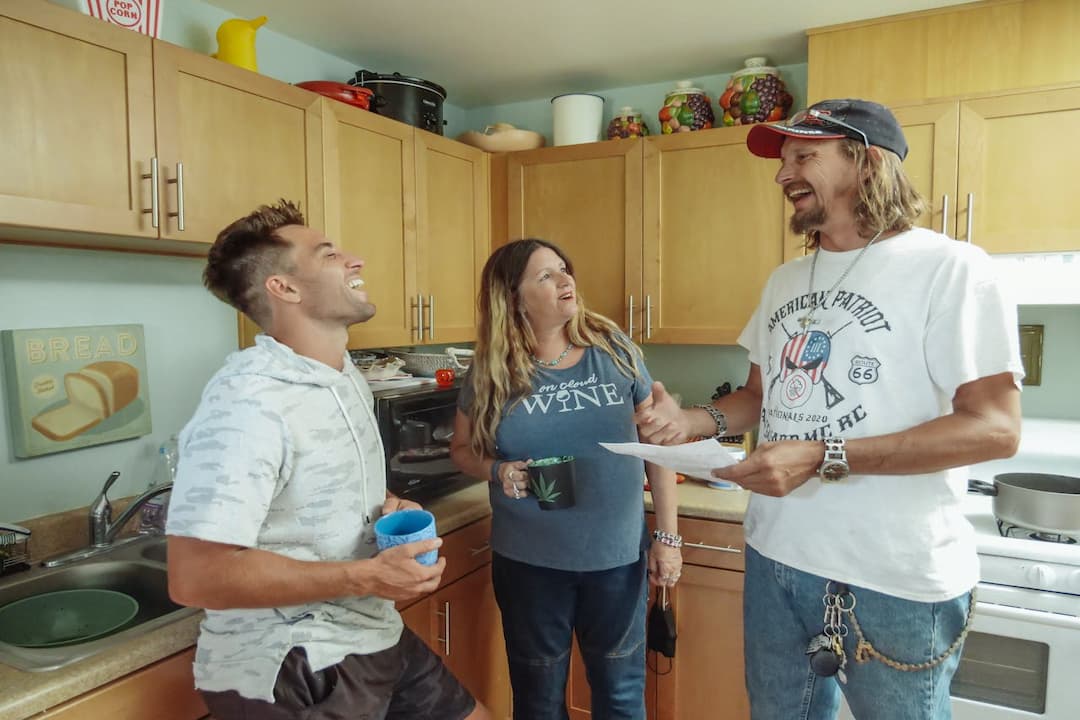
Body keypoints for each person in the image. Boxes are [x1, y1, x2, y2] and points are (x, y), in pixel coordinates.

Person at [635, 99, 1023, 720]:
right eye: (783, 159)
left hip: (893, 577)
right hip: (776, 558)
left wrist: (823, 456)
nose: (782, 174)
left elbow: (995, 429)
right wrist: (691, 423)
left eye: (803, 156)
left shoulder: (952, 269)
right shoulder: (786, 280)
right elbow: (759, 397)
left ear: (865, 163)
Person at [166, 199, 490, 720]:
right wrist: (365, 576)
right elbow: (195, 577)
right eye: (328, 254)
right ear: (285, 288)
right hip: (290, 664)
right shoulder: (248, 401)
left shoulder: (343, 376)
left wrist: (385, 505)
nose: (354, 259)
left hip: (367, 630)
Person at [449, 238, 682, 720]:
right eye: (545, 276)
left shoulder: (613, 349)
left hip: (616, 559)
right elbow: (462, 450)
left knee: (620, 696)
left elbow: (656, 444)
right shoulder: (490, 372)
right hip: (530, 564)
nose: (565, 280)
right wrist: (496, 470)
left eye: (563, 269)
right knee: (537, 700)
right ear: (513, 298)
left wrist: (667, 538)